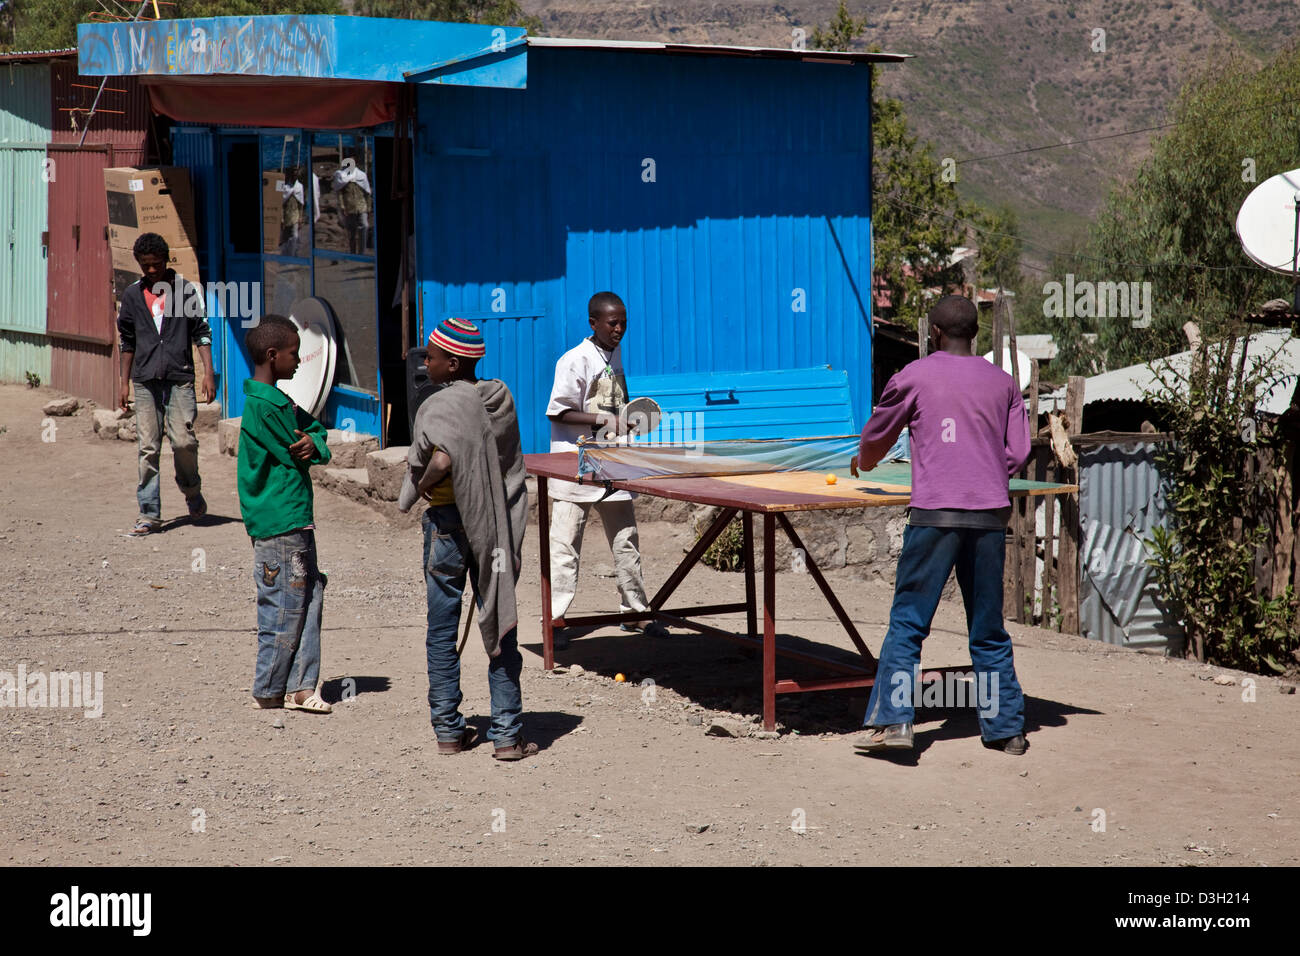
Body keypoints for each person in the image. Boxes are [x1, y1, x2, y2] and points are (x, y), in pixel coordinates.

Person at [852, 295, 1032, 756]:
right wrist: (981, 469)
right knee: (988, 626)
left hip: (935, 517)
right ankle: (1006, 729)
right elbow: (1017, 453)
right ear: (975, 334)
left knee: (910, 621)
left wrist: (865, 462)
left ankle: (896, 724)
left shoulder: (914, 376)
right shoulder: (1004, 383)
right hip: (989, 517)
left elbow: (876, 436)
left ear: (933, 333)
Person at [397, 318, 536, 760]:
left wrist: (413, 491)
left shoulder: (439, 405)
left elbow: (438, 460)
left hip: (447, 528)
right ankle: (508, 737)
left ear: (453, 363)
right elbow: (510, 467)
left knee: (441, 629)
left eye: (432, 358)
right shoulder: (499, 398)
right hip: (493, 526)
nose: (426, 364)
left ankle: (449, 733)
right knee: (498, 617)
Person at [544, 291, 667, 643]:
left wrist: (624, 423)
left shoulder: (616, 354)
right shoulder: (573, 360)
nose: (619, 329)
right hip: (575, 466)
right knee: (565, 545)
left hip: (614, 465)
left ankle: (636, 612)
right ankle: (556, 620)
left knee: (626, 541)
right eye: (613, 323)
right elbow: (558, 411)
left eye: (624, 322)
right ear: (593, 322)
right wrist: (604, 420)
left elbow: (618, 403)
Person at [237, 314, 333, 714]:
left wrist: (317, 442)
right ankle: (269, 688)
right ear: (273, 355)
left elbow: (316, 435)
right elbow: (305, 444)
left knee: (309, 595)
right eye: (294, 353)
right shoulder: (271, 407)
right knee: (285, 604)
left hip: (289, 519)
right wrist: (315, 443)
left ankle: (299, 686)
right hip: (283, 522)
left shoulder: (273, 402)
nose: (298, 361)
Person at [116, 232, 216, 536]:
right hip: (145, 380)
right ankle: (149, 513)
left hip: (180, 377)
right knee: (148, 447)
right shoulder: (132, 297)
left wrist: (208, 373)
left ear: (166, 261)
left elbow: (201, 332)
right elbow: (127, 341)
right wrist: (124, 383)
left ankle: (191, 489)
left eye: (156, 264)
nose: (151, 271)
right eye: (145, 266)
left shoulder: (185, 291)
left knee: (184, 441)